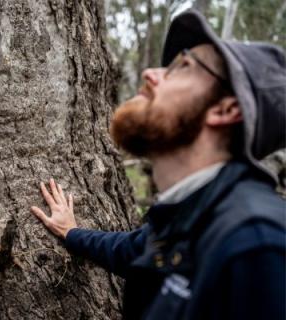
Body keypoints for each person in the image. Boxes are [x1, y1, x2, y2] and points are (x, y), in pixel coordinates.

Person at [30, 9, 285, 320]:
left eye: (182, 67)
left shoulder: (257, 245)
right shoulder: (186, 217)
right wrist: (71, 232)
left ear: (225, 108)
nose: (151, 72)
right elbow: (126, 249)